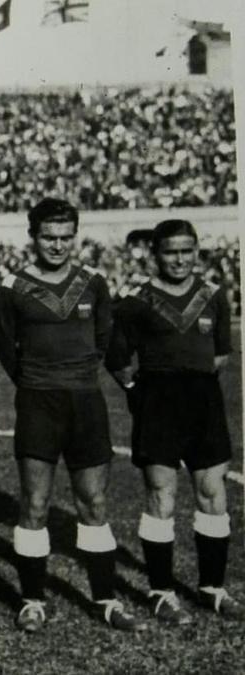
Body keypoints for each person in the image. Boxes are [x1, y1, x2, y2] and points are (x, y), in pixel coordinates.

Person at [0, 198, 144, 632]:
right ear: (33, 238)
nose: (57, 246)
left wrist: (76, 376)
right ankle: (32, 601)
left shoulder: (93, 283)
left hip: (85, 403)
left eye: (65, 238)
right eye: (48, 238)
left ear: (74, 237)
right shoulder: (13, 287)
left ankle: (106, 599)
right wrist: (40, 382)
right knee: (35, 504)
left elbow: (103, 339)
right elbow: (7, 350)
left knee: (93, 502)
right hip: (39, 404)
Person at [106, 219, 243, 624]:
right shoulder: (135, 299)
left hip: (204, 402)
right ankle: (162, 592)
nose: (179, 259)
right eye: (170, 251)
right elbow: (116, 357)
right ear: (155, 254)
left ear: (197, 251)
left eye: (187, 250)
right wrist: (139, 392)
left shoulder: (215, 295)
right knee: (161, 495)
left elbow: (220, 355)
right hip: (158, 403)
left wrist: (192, 384)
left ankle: (212, 588)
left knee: (212, 491)